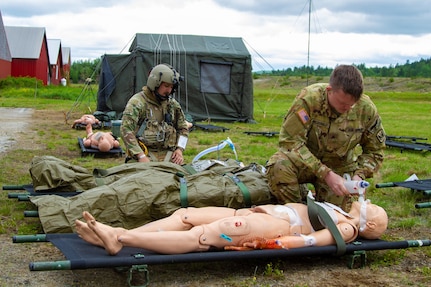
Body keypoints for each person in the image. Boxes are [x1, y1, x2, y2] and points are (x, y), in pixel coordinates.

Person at [75, 198, 388, 255]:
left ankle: (119, 239)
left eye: (372, 207)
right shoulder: (341, 210)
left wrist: (272, 245)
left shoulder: (348, 229)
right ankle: (112, 235)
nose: (367, 201)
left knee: (203, 237)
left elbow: (314, 242)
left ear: (369, 223)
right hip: (260, 213)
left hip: (276, 226)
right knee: (186, 215)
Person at [266, 65, 386, 211]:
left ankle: (318, 205)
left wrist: (359, 176)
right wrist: (326, 174)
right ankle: (297, 211)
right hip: (305, 162)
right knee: (279, 165)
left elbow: (375, 152)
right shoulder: (309, 100)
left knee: (340, 215)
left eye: (352, 104)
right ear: (329, 91)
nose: (348, 109)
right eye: (342, 103)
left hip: (340, 166)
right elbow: (290, 142)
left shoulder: (366, 109)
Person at [121, 63, 190, 165]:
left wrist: (179, 150)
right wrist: (140, 155)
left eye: (171, 87)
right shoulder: (138, 103)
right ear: (155, 83)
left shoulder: (172, 105)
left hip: (168, 156)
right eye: (166, 86)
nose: (169, 91)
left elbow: (183, 129)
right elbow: (126, 130)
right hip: (144, 154)